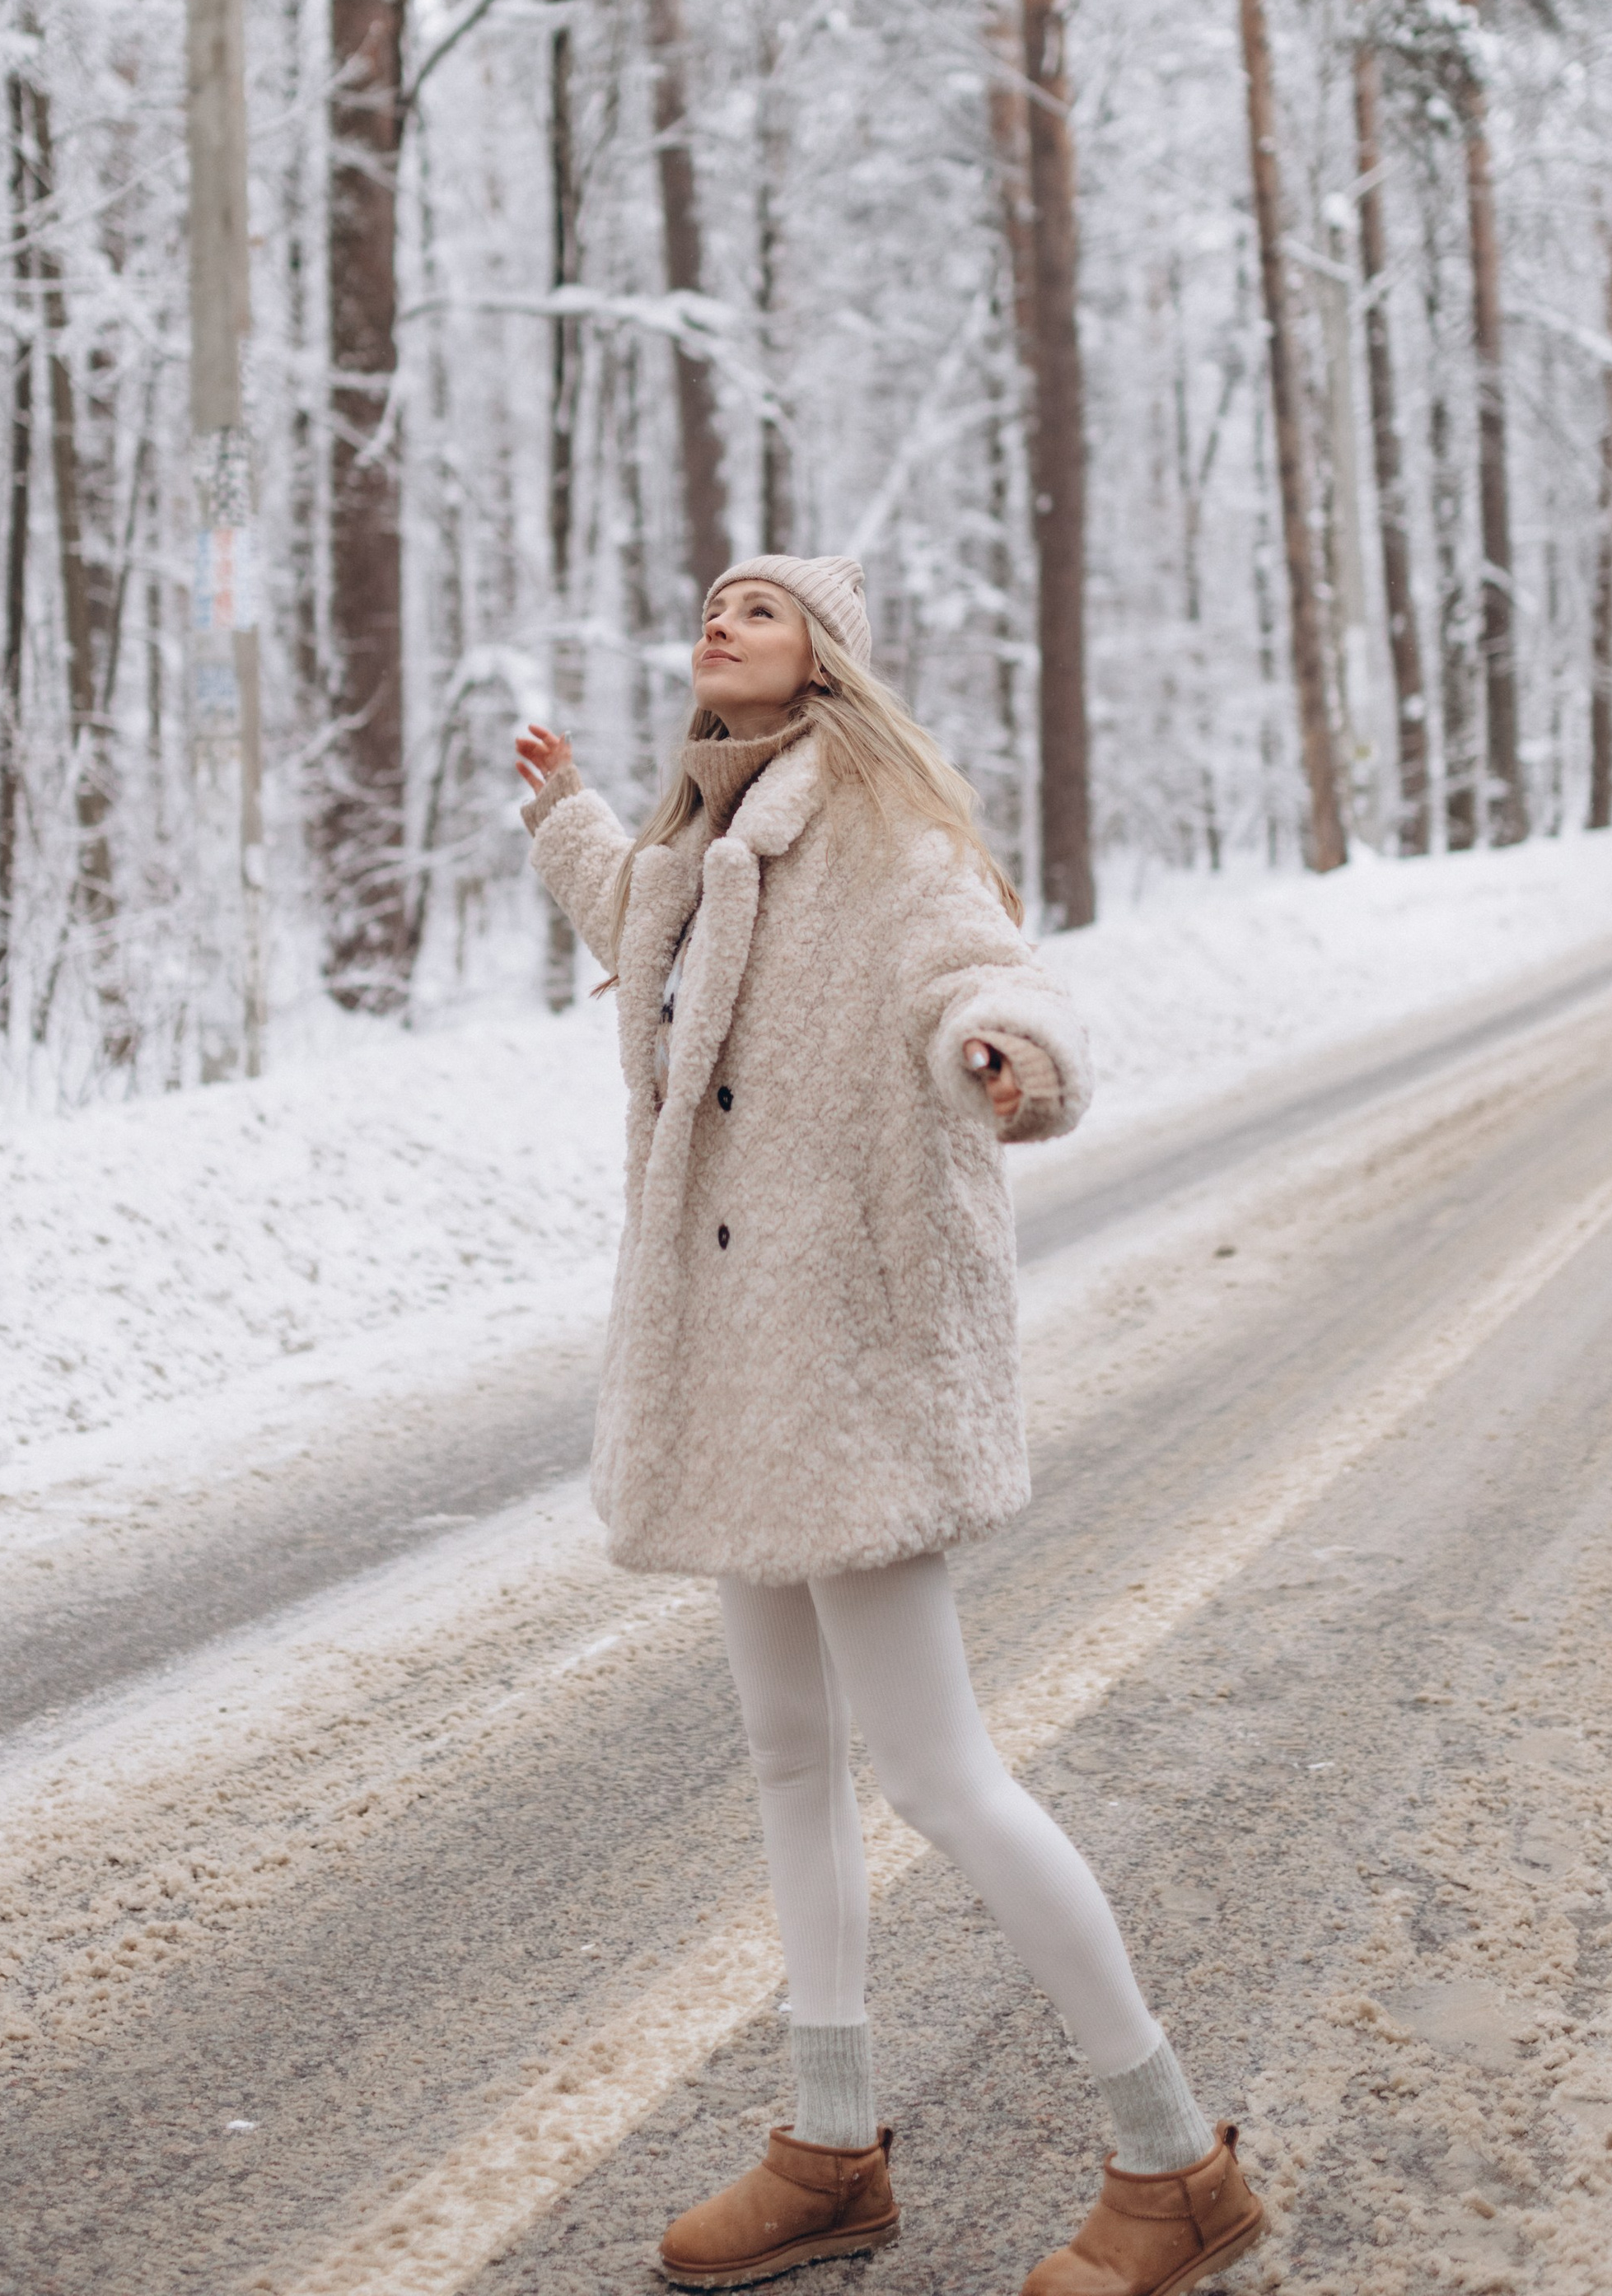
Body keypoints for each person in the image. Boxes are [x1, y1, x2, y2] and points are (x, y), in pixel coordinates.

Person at [513, 553, 1265, 2296]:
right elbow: (645, 935)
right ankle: (827, 2147)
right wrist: (570, 822)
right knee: (787, 1757)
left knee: (936, 1771)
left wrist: (1008, 1049)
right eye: (711, 606)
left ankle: (1170, 2165)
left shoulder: (878, 825)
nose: (721, 622)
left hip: (847, 1355)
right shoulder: (712, 834)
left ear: (825, 659)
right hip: (733, 1369)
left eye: (758, 609)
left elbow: (989, 974)